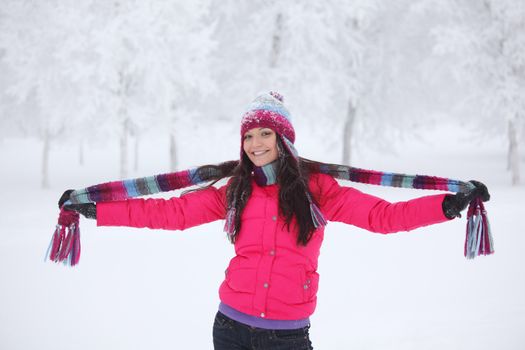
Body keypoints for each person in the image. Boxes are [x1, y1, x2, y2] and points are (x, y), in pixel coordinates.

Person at [59, 92, 490, 350]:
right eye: (248, 135)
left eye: (265, 133)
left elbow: (383, 217)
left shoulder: (317, 189)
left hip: (286, 338)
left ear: (283, 139)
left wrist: (447, 206)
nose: (254, 143)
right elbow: (171, 213)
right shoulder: (237, 190)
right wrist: (100, 210)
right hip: (230, 328)